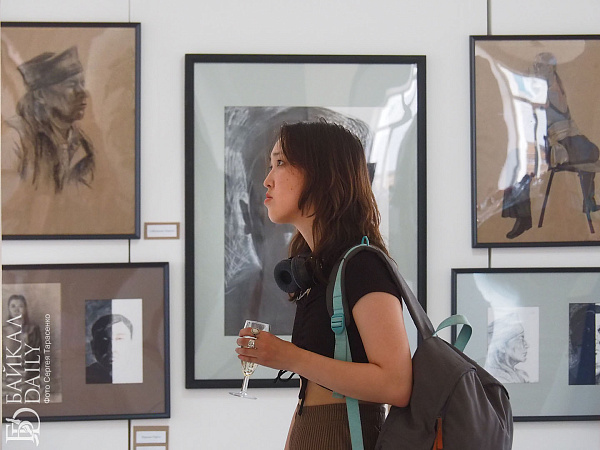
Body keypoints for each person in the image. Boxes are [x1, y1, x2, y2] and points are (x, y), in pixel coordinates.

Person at [234, 121, 413, 449]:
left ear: (322, 174)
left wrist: (290, 357)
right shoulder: (319, 269)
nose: (267, 180)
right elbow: (313, 391)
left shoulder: (362, 265)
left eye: (280, 163)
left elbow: (396, 384)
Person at [502, 52, 600, 239]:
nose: (537, 70)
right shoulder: (544, 87)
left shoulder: (553, 88)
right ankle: (523, 217)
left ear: (550, 69)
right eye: (537, 66)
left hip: (568, 144)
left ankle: (587, 202)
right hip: (558, 142)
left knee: (520, 160)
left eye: (541, 66)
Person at [2, 46, 94, 196]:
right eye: (71, 85)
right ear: (41, 95)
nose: (83, 92)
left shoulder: (81, 143)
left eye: (82, 84)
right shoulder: (16, 138)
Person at [2, 295, 43, 389]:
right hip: (7, 377)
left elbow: (39, 355)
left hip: (28, 376)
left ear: (25, 308)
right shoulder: (3, 331)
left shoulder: (33, 329)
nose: (16, 310)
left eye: (20, 306)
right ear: (8, 309)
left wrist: (29, 376)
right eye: (13, 306)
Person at [86, 314, 134, 384]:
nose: (111, 349)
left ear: (131, 344)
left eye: (119, 339)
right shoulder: (84, 376)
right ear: (93, 346)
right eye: (104, 340)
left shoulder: (142, 374)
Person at [484, 314, 530, 384]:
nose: (527, 345)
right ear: (501, 346)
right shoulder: (498, 378)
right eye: (520, 339)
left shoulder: (522, 375)